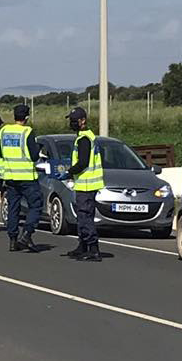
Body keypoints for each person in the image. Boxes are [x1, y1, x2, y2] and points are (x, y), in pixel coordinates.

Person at [0, 103, 44, 253]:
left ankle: (13, 240)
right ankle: (26, 234)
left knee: (13, 208)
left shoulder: (4, 131)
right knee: (36, 205)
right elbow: (33, 156)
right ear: (26, 117)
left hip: (10, 177)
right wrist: (38, 148)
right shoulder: (27, 132)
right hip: (27, 177)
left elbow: (1, 152)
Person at [65, 105, 105, 261]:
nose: (73, 123)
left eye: (75, 120)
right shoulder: (85, 136)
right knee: (83, 216)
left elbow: (83, 163)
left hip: (87, 184)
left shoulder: (84, 139)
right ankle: (82, 245)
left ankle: (93, 248)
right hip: (85, 184)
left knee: (85, 217)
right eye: (72, 120)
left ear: (83, 121)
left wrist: (68, 172)